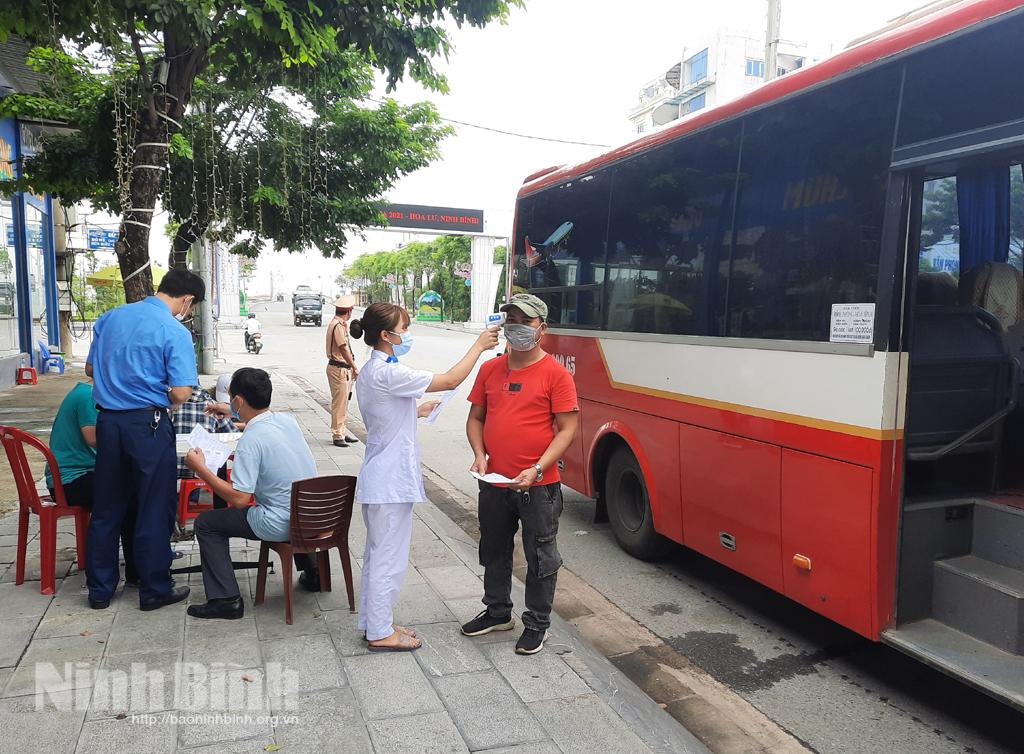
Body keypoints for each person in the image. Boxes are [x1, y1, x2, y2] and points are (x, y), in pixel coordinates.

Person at [352, 302, 498, 650]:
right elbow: (449, 379)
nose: (408, 334)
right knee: (388, 557)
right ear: (386, 335)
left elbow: (384, 415)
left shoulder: (379, 370)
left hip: (381, 477)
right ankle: (380, 633)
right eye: (405, 328)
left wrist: (415, 411)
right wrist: (478, 346)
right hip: (389, 482)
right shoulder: (389, 372)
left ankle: (376, 622)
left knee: (378, 555)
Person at [461, 293, 579, 655]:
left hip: (538, 487)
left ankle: (537, 623)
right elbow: (475, 418)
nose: (515, 326)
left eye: (524, 321)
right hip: (495, 482)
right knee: (493, 548)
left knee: (540, 556)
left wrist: (538, 468)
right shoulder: (490, 369)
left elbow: (566, 430)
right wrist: (480, 454)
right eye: (510, 318)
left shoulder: (556, 375)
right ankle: (498, 612)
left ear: (542, 328)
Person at [85, 267, 205, 611]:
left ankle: (100, 589)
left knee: (107, 507)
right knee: (154, 505)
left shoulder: (110, 318)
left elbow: (91, 370)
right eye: (191, 306)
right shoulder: (173, 330)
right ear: (187, 300)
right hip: (147, 426)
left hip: (108, 422)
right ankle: (154, 586)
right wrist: (156, 392)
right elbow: (182, 392)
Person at [184, 368, 320, 619]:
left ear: (238, 401)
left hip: (280, 523)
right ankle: (313, 573)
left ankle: (226, 599)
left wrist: (201, 469)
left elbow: (239, 499)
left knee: (206, 523)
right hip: (313, 515)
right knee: (288, 497)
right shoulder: (287, 421)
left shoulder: (250, 441)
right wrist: (234, 415)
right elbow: (259, 425)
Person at [46, 380, 138, 585]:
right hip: (71, 480)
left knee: (130, 490)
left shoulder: (86, 391)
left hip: (76, 475)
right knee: (130, 495)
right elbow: (93, 438)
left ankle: (135, 567)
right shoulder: (89, 395)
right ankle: (135, 570)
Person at [326, 295, 359, 447]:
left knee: (344, 402)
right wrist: (354, 366)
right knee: (339, 403)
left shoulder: (340, 324)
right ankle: (337, 434)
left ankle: (342, 431)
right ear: (349, 311)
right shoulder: (338, 326)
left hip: (341, 368)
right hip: (339, 368)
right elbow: (343, 348)